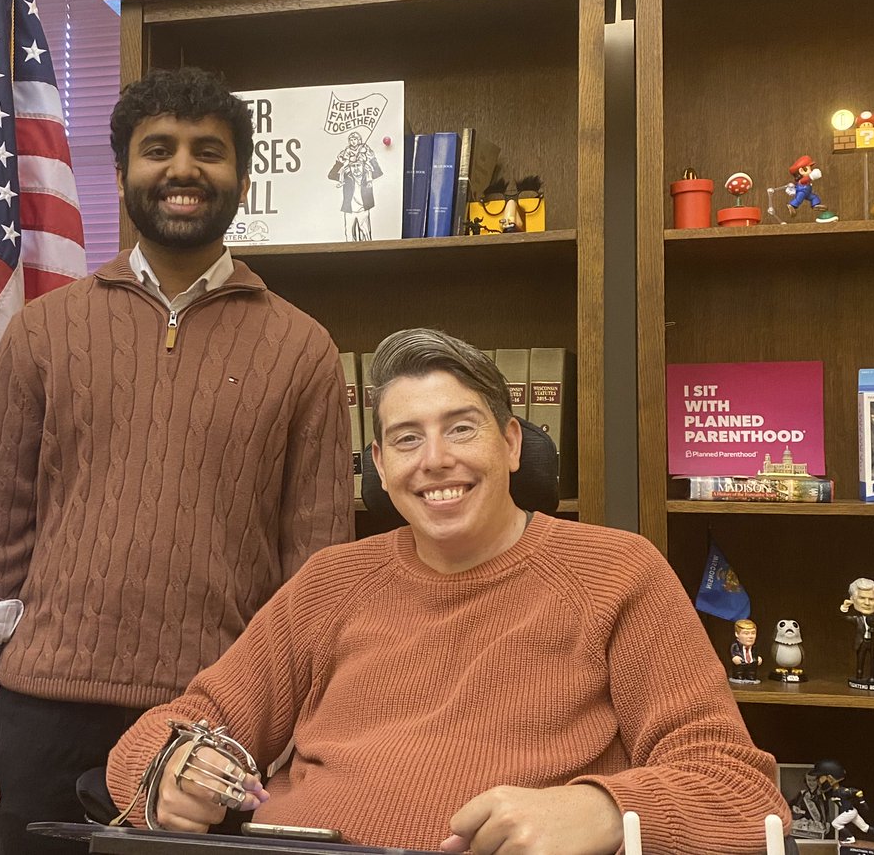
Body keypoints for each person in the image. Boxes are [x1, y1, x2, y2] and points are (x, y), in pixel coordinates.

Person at [106, 328, 791, 855]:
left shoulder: (618, 573)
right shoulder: (329, 583)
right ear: (379, 466)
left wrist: (603, 811)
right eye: (407, 439)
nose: (436, 460)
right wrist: (169, 770)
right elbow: (167, 732)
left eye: (461, 427)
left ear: (513, 443)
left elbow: (739, 794)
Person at [0, 65, 353, 853]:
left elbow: (317, 573)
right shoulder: (42, 333)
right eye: (159, 150)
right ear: (124, 173)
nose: (184, 170)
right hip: (38, 717)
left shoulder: (305, 350)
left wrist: (304, 728)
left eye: (209, 151)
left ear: (241, 176)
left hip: (214, 723)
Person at [840, 577, 874, 688]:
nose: (867, 603)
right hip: (862, 642)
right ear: (853, 599)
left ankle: (873, 677)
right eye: (862, 598)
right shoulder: (857, 618)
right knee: (860, 659)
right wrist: (844, 607)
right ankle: (859, 676)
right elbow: (845, 617)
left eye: (871, 599)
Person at [729, 617, 762, 683]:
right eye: (746, 633)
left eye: (753, 633)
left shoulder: (754, 647)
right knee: (739, 672)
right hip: (740, 664)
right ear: (737, 634)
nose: (750, 636)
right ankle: (739, 676)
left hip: (751, 665)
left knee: (752, 673)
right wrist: (735, 657)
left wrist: (758, 658)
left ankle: (750, 676)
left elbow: (755, 653)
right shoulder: (735, 646)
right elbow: (733, 653)